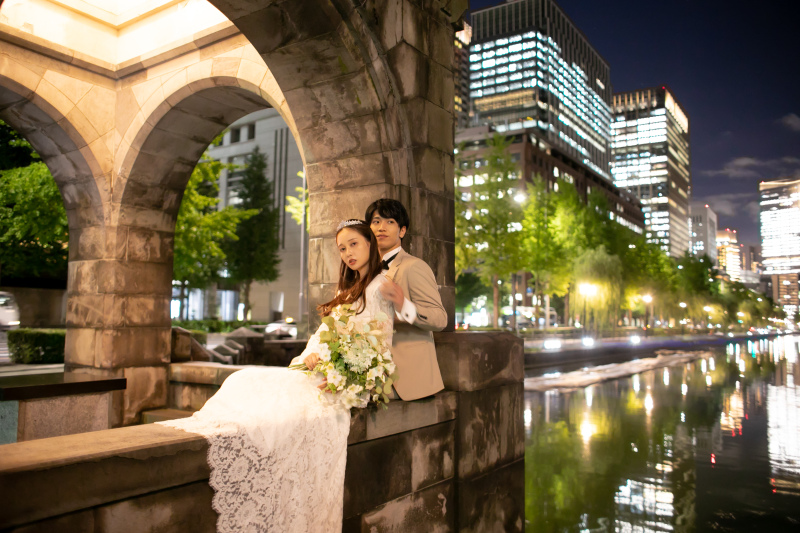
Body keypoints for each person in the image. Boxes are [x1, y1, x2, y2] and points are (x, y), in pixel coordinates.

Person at [160, 219, 394, 533]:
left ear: (369, 243)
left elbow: (379, 347)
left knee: (271, 398)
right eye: (342, 248)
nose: (348, 253)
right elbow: (325, 336)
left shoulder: (380, 287)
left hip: (346, 379)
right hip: (322, 369)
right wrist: (310, 356)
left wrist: (343, 376)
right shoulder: (347, 289)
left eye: (354, 244)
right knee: (244, 379)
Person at [365, 198, 446, 400]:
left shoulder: (414, 266)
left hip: (405, 377)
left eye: (390, 222)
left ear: (402, 231)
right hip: (369, 368)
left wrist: (404, 306)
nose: (381, 227)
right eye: (376, 221)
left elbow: (440, 318)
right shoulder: (363, 270)